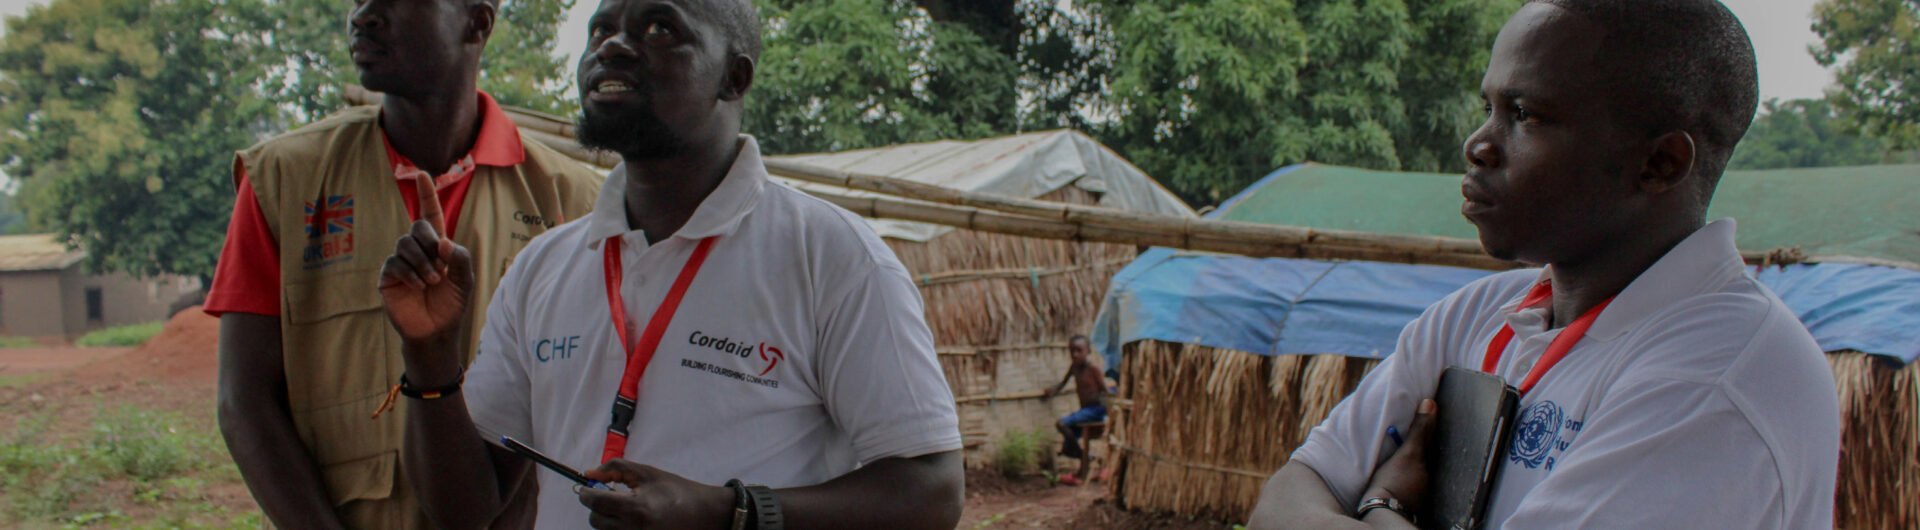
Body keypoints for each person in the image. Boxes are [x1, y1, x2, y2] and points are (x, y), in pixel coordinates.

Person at [376, 0, 967, 528]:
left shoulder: (833, 256)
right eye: (600, 28)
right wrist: (429, 356)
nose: (611, 45)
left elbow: (932, 490)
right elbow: (462, 510)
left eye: (660, 28)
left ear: (734, 78)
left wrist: (728, 511)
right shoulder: (543, 268)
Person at [1248, 1, 1839, 528]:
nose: (1477, 144)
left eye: (1526, 114)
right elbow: (1283, 502)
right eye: (1489, 106)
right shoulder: (1474, 317)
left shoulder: (1717, 378)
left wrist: (1383, 508)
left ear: (1659, 163)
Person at [209, 0, 603, 527]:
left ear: (477, 21)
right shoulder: (283, 179)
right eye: (358, 1)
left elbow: (578, 411)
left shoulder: (575, 202)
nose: (364, 15)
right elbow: (245, 400)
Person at [1043, 335, 1109, 486]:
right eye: (1072, 351)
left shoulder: (1093, 369)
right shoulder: (1074, 368)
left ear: (1088, 351)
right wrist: (1052, 391)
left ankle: (1085, 459)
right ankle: (1085, 466)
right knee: (1067, 447)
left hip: (1096, 410)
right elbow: (1063, 383)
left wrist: (1110, 411)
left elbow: (1105, 391)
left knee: (1061, 424)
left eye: (1079, 351)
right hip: (1084, 412)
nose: (1075, 355)